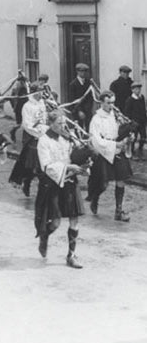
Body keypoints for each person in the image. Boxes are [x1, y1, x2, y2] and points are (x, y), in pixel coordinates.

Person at [35, 110, 85, 269]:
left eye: (64, 123)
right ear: (50, 124)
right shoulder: (44, 141)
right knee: (56, 222)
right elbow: (46, 165)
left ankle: (71, 255)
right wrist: (68, 167)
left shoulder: (68, 137)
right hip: (54, 183)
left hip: (71, 182)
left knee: (74, 219)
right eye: (59, 124)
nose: (63, 126)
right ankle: (44, 235)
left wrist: (83, 163)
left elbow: (74, 155)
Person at [88, 90, 133, 222]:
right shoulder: (96, 119)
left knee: (121, 180)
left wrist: (128, 135)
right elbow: (96, 140)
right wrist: (114, 145)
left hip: (118, 150)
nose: (111, 106)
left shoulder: (116, 115)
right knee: (104, 183)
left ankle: (118, 211)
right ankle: (95, 198)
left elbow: (123, 128)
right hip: (105, 151)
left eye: (113, 103)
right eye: (108, 103)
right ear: (101, 103)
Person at [9, 82, 48, 197]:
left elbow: (44, 119)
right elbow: (26, 124)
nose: (42, 94)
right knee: (31, 163)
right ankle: (27, 181)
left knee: (43, 160)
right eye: (40, 91)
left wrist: (44, 130)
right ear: (35, 93)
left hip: (42, 134)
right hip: (31, 136)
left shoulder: (42, 104)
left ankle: (42, 185)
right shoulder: (27, 106)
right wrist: (37, 133)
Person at [124, 81, 147, 161]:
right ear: (132, 90)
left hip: (142, 122)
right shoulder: (130, 99)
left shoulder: (142, 97)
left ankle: (140, 151)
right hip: (134, 122)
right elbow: (127, 112)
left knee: (143, 137)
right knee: (133, 138)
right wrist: (131, 121)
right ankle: (133, 153)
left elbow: (143, 109)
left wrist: (145, 119)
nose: (138, 90)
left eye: (139, 89)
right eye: (136, 89)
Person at [68, 63, 94, 130]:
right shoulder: (73, 84)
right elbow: (72, 100)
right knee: (79, 130)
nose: (83, 73)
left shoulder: (88, 83)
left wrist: (89, 108)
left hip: (87, 111)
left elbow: (91, 97)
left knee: (89, 129)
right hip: (77, 111)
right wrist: (79, 111)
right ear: (77, 72)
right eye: (81, 71)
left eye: (85, 71)